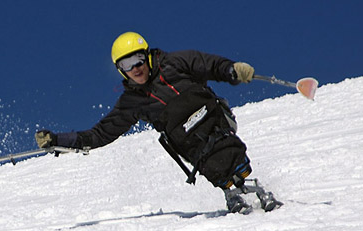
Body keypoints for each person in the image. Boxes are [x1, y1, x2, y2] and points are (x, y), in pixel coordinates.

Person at [35, 32, 274, 213]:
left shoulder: (176, 62)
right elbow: (100, 134)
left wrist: (233, 70)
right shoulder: (132, 102)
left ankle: (247, 182)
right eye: (127, 65)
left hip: (215, 120)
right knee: (204, 154)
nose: (136, 68)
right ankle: (230, 192)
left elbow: (210, 65)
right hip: (191, 142)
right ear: (120, 71)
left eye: (138, 60)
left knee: (225, 151)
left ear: (147, 55)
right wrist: (57, 141)